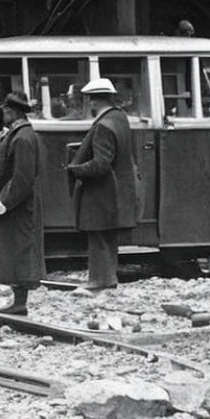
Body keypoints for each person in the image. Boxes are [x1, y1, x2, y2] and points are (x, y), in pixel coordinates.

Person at [65, 78, 138, 291]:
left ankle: (99, 281)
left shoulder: (103, 126)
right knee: (108, 238)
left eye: (89, 101)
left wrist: (75, 170)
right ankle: (108, 279)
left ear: (93, 101)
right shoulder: (120, 118)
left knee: (98, 237)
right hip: (116, 190)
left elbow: (101, 165)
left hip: (102, 192)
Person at [0, 92, 44, 315]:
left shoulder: (22, 137)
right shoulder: (18, 135)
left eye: (5, 111)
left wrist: (4, 200)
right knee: (14, 249)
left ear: (13, 112)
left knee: (19, 250)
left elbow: (22, 177)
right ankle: (17, 302)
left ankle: (20, 303)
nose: (3, 115)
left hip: (17, 205)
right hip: (16, 204)